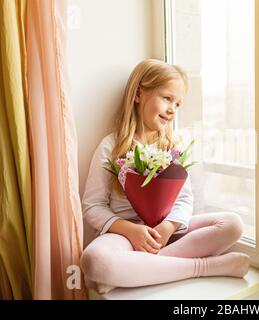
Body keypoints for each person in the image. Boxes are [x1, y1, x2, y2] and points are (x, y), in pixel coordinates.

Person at [80, 59, 250, 294]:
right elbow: (92, 205)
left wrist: (168, 227)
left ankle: (131, 273)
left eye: (178, 104)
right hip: (126, 236)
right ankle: (204, 267)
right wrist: (131, 231)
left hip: (166, 232)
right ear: (139, 94)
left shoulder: (173, 149)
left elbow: (184, 199)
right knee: (94, 261)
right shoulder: (111, 146)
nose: (172, 110)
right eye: (167, 98)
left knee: (232, 224)